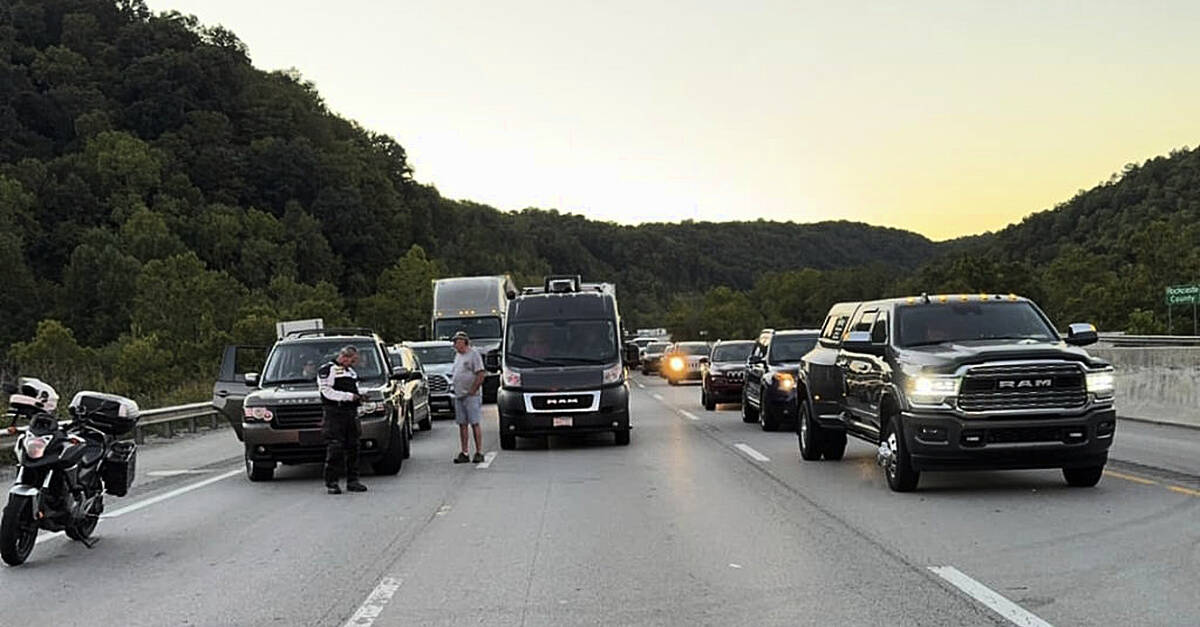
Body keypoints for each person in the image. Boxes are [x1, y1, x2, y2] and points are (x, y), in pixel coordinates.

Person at [317, 346, 368, 494]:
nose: (353, 363)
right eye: (352, 360)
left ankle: (353, 481)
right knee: (335, 447)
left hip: (350, 413)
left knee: (354, 446)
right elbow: (327, 392)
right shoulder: (328, 369)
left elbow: (354, 391)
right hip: (335, 413)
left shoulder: (350, 372)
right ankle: (332, 482)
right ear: (344, 357)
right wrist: (348, 397)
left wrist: (360, 396)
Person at [450, 331, 486, 464]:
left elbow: (480, 373)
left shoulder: (473, 354)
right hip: (459, 395)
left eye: (457, 342)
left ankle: (479, 451)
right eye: (454, 342)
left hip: (471, 395)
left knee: (474, 423)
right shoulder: (457, 356)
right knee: (462, 424)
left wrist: (473, 390)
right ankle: (464, 452)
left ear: (464, 342)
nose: (455, 344)